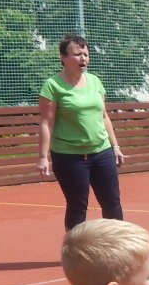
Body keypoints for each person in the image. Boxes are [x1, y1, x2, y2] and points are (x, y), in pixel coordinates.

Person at [37, 35, 125, 230]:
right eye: (77, 54)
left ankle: (118, 243)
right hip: (69, 157)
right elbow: (46, 123)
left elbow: (104, 116)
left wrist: (115, 146)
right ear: (63, 58)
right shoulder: (52, 85)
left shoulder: (95, 81)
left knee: (112, 202)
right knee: (78, 205)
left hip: (102, 151)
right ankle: (74, 246)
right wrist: (43, 157)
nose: (83, 58)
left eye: (85, 54)